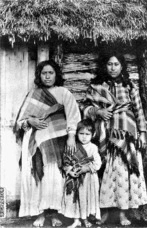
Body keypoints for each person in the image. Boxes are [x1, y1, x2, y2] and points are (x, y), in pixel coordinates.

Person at [83, 51, 147, 226]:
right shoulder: (97, 86)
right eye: (109, 64)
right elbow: (86, 108)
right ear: (105, 66)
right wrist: (99, 111)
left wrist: (142, 133)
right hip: (105, 136)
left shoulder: (129, 86)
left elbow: (138, 110)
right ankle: (104, 212)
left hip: (127, 135)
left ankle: (122, 213)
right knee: (106, 173)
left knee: (124, 174)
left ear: (122, 66)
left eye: (116, 64)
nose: (113, 68)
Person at [13, 59, 81, 227]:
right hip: (38, 143)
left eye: (51, 73)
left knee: (56, 178)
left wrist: (71, 136)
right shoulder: (33, 94)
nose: (47, 76)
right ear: (39, 75)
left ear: (56, 74)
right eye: (44, 73)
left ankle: (54, 213)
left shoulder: (64, 92)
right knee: (40, 176)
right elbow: (20, 121)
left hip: (59, 141)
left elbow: (73, 116)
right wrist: (31, 121)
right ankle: (41, 214)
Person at [61, 119, 101, 228]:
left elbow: (97, 164)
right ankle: (76, 220)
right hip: (75, 178)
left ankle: (85, 219)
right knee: (75, 199)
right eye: (81, 133)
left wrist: (85, 168)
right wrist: (70, 171)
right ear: (76, 134)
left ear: (93, 135)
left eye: (87, 134)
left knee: (84, 199)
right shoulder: (73, 146)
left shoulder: (93, 148)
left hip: (88, 179)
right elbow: (66, 161)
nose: (84, 137)